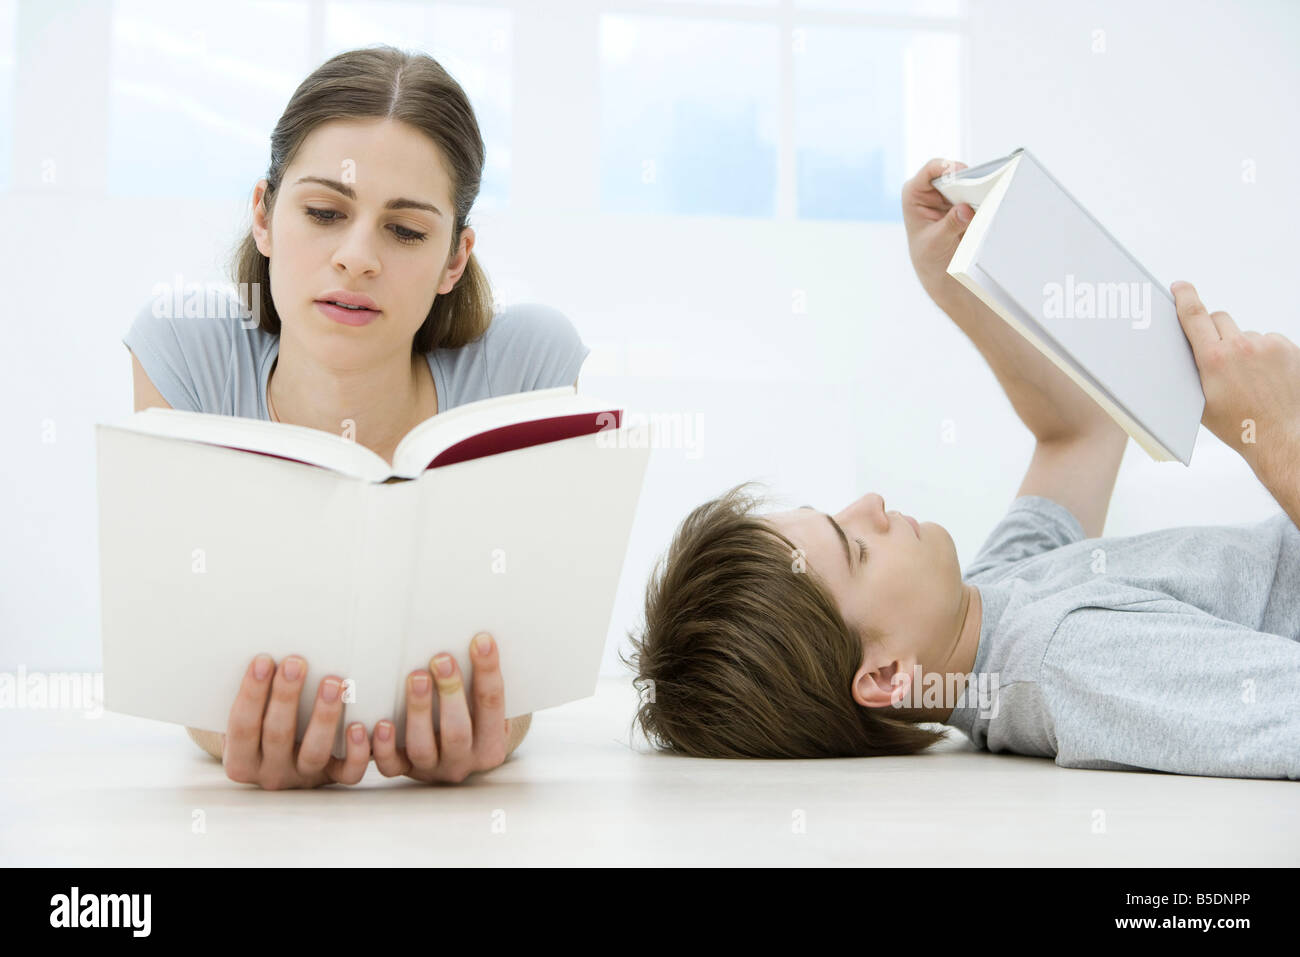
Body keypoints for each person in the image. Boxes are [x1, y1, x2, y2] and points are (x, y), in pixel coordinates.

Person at [626, 158, 1300, 779]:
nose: (871, 503)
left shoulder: (989, 600)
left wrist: (956, 280)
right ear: (888, 673)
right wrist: (1276, 438)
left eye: (837, 512)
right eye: (855, 548)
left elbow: (1080, 434)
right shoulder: (1067, 659)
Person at [124, 46, 589, 789]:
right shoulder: (184, 355)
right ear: (264, 216)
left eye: (405, 231)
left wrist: (492, 735)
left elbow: (525, 675)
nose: (356, 257)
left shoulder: (528, 368)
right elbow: (185, 668)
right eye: (322, 212)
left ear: (453, 260)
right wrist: (228, 735)